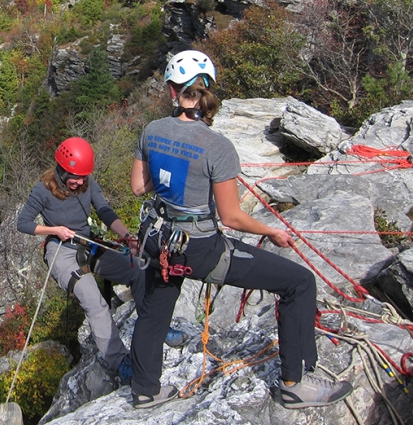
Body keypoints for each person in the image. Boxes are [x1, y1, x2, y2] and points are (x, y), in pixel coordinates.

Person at [128, 50, 354, 409]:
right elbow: (232, 218)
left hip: (157, 241)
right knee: (299, 283)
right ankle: (296, 384)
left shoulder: (152, 131)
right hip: (199, 249)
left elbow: (139, 187)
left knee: (155, 309)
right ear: (207, 92)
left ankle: (144, 389)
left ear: (173, 91)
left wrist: (170, 175)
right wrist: (271, 231)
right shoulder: (218, 146)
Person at [17, 137, 184, 384]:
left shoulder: (87, 184)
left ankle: (156, 327)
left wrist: (126, 235)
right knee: (94, 301)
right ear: (61, 170)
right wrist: (54, 230)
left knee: (140, 269)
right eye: (76, 176)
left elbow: (104, 210)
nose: (80, 182)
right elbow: (24, 223)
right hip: (61, 250)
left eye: (84, 176)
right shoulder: (42, 190)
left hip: (88, 244)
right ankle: (119, 362)